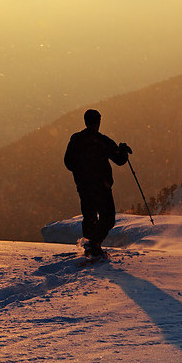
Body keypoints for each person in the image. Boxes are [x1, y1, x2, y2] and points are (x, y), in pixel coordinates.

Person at [64, 109, 132, 257]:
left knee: (89, 216)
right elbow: (120, 160)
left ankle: (90, 246)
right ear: (98, 122)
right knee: (107, 218)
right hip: (102, 187)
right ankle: (94, 244)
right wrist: (123, 151)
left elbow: (68, 162)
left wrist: (81, 173)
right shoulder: (102, 141)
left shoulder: (76, 139)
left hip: (84, 186)